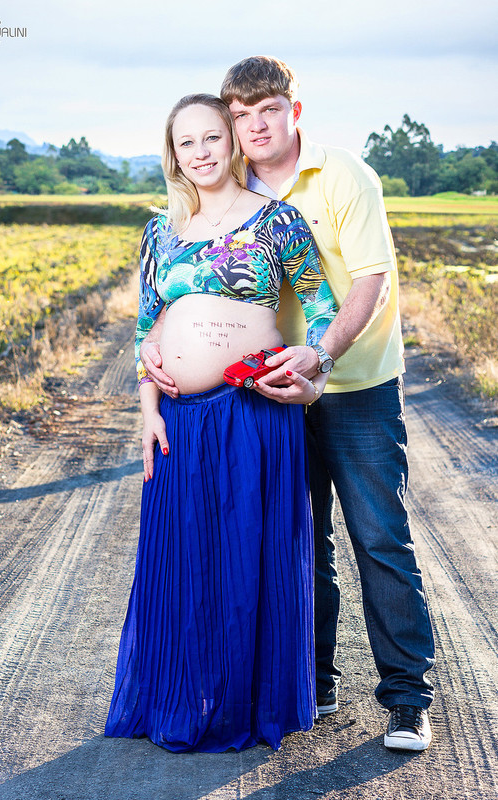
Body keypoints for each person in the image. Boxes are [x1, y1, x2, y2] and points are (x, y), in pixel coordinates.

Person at [141, 59, 436, 753]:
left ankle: (405, 698)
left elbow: (368, 280)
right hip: (265, 398)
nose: (252, 126)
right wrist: (157, 365)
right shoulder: (231, 186)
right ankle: (313, 680)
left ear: (292, 111)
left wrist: (322, 358)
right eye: (239, 115)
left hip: (351, 384)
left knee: (379, 540)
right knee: (296, 541)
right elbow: (174, 295)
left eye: (266, 110)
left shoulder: (341, 177)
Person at [104, 93, 338, 753]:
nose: (202, 152)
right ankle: (179, 698)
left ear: (231, 143)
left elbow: (321, 308)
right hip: (179, 415)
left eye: (213, 137)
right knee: (183, 558)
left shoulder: (276, 219)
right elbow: (148, 327)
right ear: (172, 154)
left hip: (256, 413)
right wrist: (147, 405)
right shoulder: (159, 230)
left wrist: (309, 377)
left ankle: (247, 706)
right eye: (188, 143)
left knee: (248, 557)